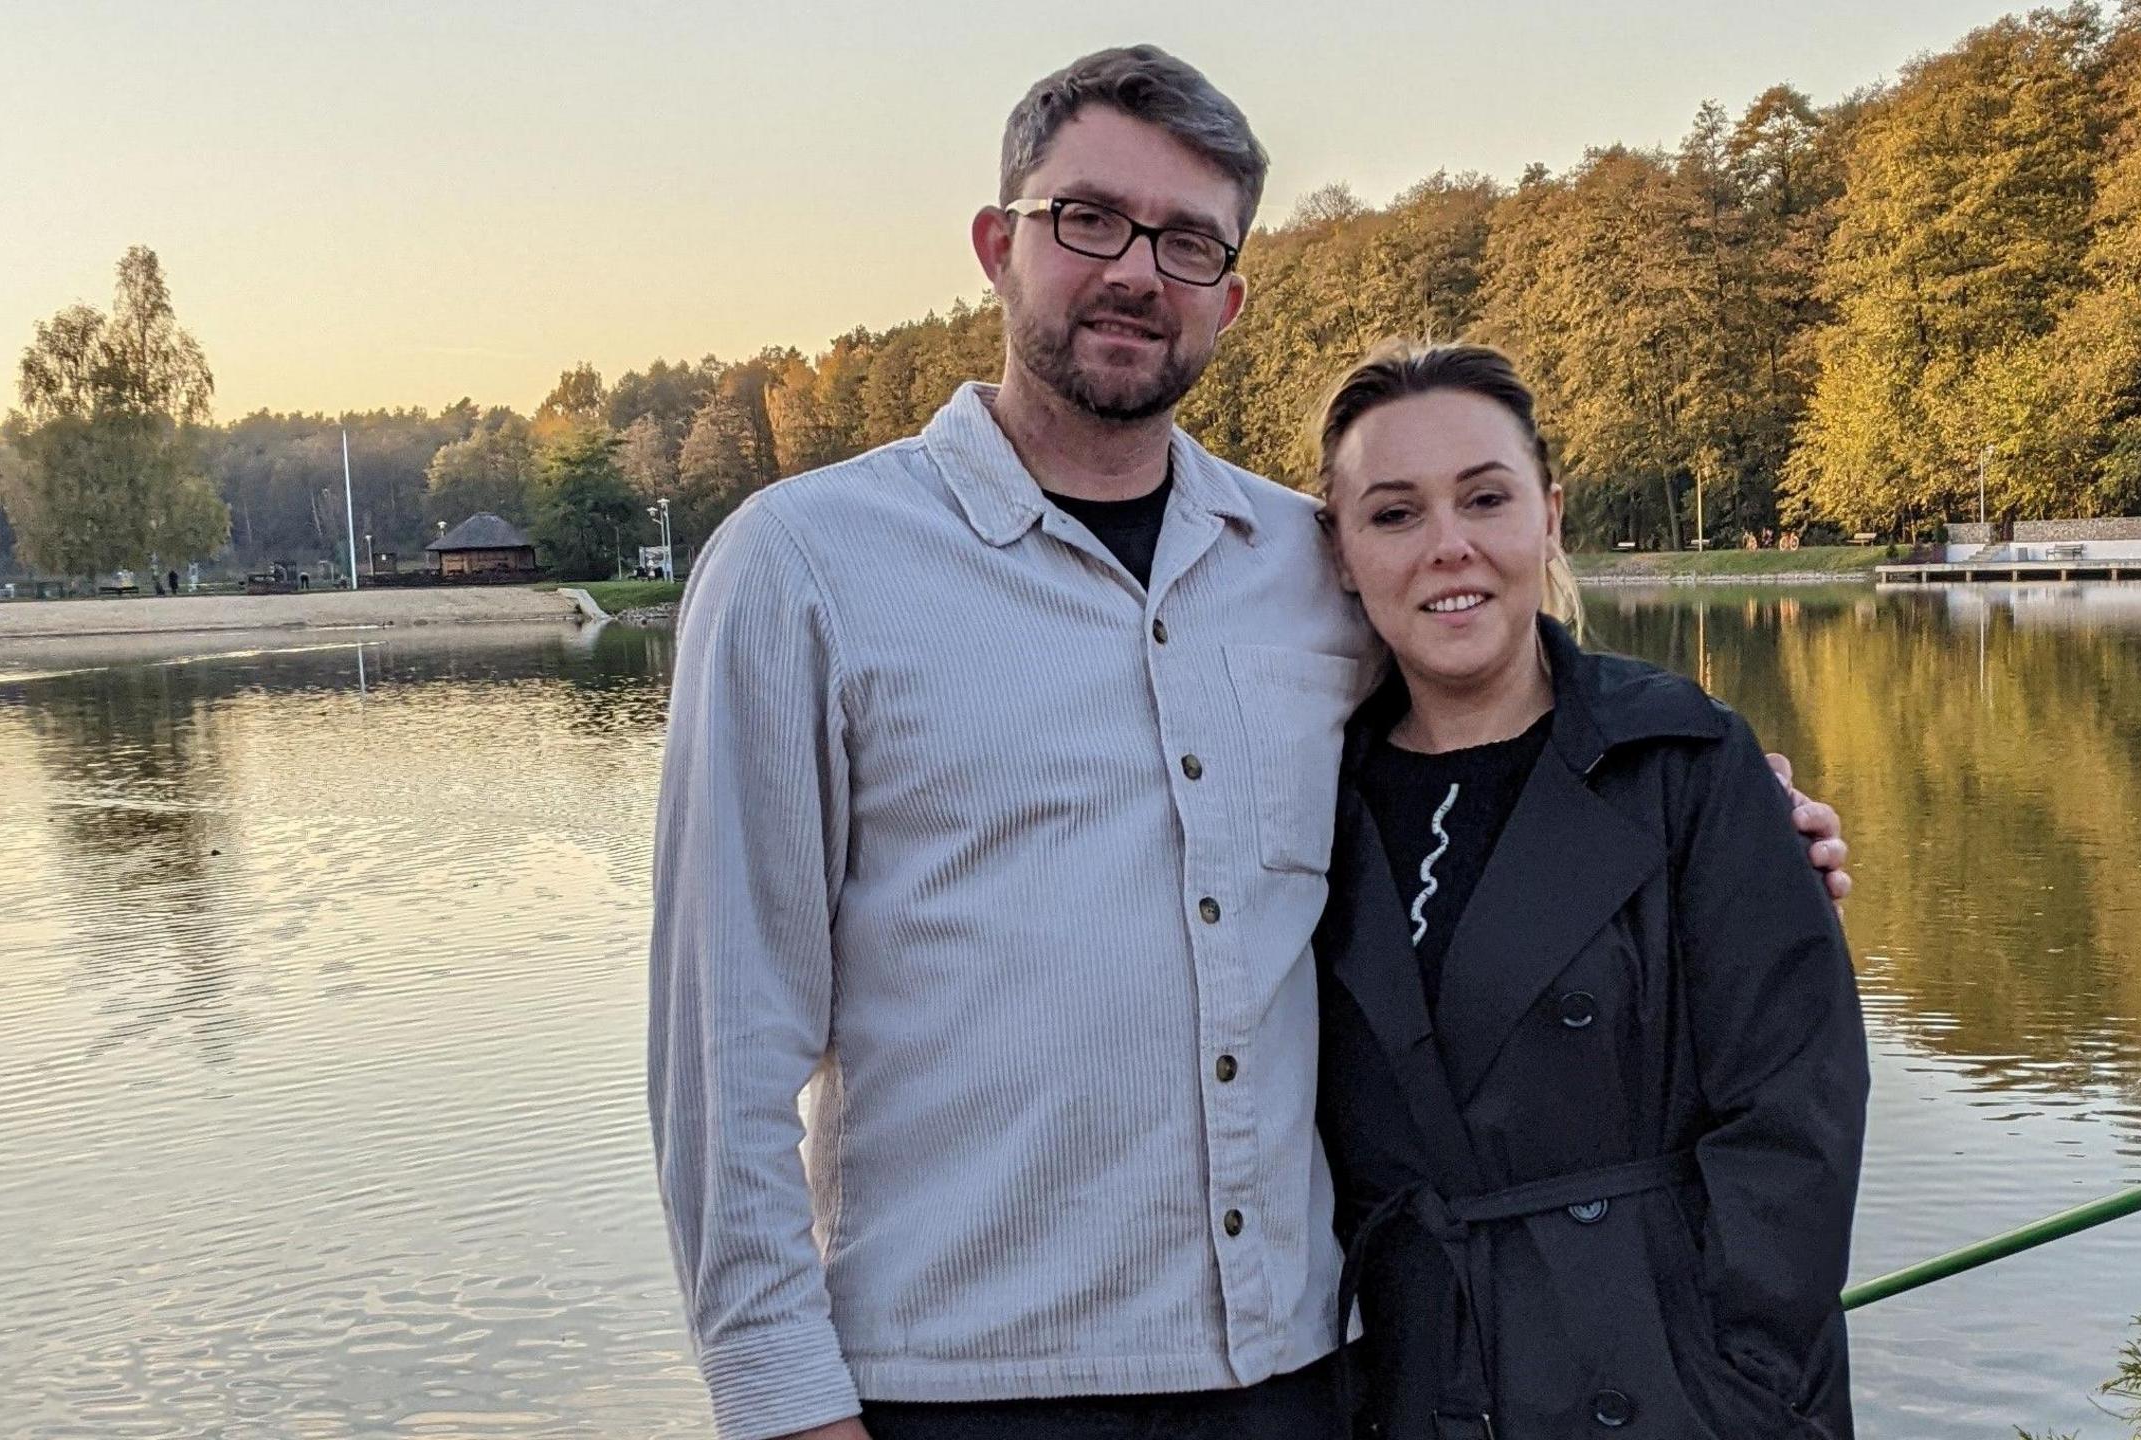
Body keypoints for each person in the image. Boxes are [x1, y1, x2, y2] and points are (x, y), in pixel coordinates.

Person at [647, 46, 1851, 1440]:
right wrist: (783, 1403)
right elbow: (726, 1048)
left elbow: (1500, 718)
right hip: (962, 1390)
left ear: (1230, 291)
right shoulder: (805, 568)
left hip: (1299, 1377)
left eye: (1187, 241)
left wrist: (1720, 824)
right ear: (998, 245)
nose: (1135, 273)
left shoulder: (1311, 558)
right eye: (1088, 220)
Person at [1310, 342, 1868, 1440]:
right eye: (1393, 515)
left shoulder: (1686, 764)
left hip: (1671, 1388)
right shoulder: (1297, 806)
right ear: (1338, 549)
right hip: (1414, 1383)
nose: (1448, 546)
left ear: (1548, 517)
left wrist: (1737, 1385)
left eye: (1485, 498)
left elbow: (1795, 1116)